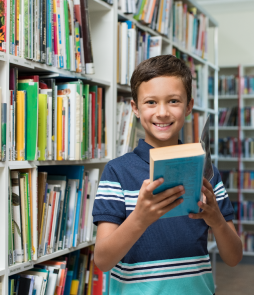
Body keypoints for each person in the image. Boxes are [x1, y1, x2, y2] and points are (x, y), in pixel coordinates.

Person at [92, 55, 243, 294]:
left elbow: (234, 257)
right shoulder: (117, 171)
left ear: (189, 106)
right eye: (151, 102)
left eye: (173, 101)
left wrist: (217, 221)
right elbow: (103, 260)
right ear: (135, 109)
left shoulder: (207, 172)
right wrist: (140, 218)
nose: (162, 112)